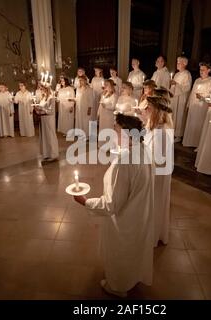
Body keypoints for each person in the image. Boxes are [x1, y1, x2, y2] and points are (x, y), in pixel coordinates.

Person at [73, 113, 154, 298]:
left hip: (125, 219)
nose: (113, 134)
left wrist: (86, 202)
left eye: (116, 130)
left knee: (121, 251)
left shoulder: (125, 163)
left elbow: (111, 204)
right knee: (133, 250)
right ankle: (131, 278)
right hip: (139, 214)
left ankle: (117, 286)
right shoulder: (143, 150)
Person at [142, 95, 174, 246]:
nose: (145, 109)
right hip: (153, 171)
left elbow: (156, 160)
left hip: (157, 175)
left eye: (148, 107)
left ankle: (153, 234)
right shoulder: (153, 125)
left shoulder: (162, 133)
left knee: (155, 202)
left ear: (156, 111)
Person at [182, 62, 211, 148]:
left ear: (208, 70)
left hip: (202, 106)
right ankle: (188, 142)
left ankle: (198, 144)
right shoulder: (197, 80)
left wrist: (202, 97)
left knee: (199, 124)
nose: (201, 71)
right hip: (194, 105)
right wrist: (189, 104)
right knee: (191, 123)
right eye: (200, 70)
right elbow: (192, 92)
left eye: (203, 70)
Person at [169, 56, 192, 143]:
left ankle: (178, 135)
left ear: (184, 64)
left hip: (181, 98)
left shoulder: (187, 74)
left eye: (179, 63)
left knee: (179, 116)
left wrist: (177, 84)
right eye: (177, 62)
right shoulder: (177, 74)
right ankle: (172, 132)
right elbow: (173, 86)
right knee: (174, 114)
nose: (177, 64)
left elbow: (187, 87)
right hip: (175, 97)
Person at [34, 85, 59, 162]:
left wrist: (41, 108)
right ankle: (46, 154)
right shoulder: (43, 98)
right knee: (44, 136)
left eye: (42, 89)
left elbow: (51, 111)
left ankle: (53, 154)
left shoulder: (51, 98)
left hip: (49, 119)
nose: (41, 91)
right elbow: (42, 109)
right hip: (43, 119)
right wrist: (37, 110)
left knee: (50, 136)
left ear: (46, 89)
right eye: (40, 89)